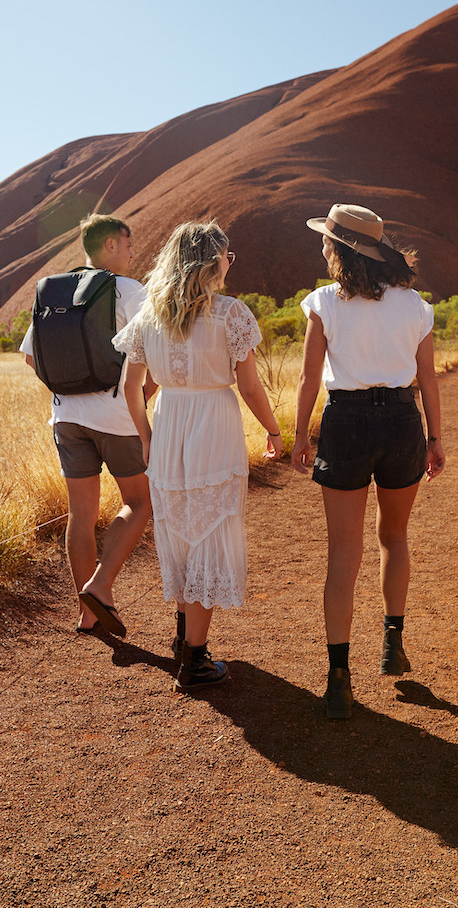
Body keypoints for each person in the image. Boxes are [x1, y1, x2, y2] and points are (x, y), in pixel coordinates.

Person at [291, 203, 445, 720]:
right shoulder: (416, 306)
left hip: (347, 423)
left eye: (327, 240)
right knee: (394, 537)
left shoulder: (325, 304)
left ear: (341, 250)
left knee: (343, 554)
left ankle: (338, 679)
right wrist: (436, 438)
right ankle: (392, 644)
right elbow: (427, 380)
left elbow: (310, 381)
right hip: (403, 423)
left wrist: (298, 437)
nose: (322, 245)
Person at [114, 221, 283, 692]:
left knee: (181, 528)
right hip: (214, 425)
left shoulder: (150, 314)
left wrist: (147, 439)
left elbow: (131, 389)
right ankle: (196, 659)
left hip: (169, 424)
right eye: (228, 256)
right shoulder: (230, 314)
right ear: (211, 262)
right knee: (210, 529)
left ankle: (184, 635)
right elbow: (249, 385)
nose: (231, 263)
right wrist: (272, 429)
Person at [20, 214, 156, 637]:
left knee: (81, 514)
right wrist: (140, 399)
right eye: (129, 245)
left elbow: (30, 356)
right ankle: (100, 586)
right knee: (139, 501)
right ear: (111, 245)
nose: (132, 254)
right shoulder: (129, 291)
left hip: (66, 417)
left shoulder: (55, 290)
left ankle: (88, 613)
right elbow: (155, 350)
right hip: (116, 416)